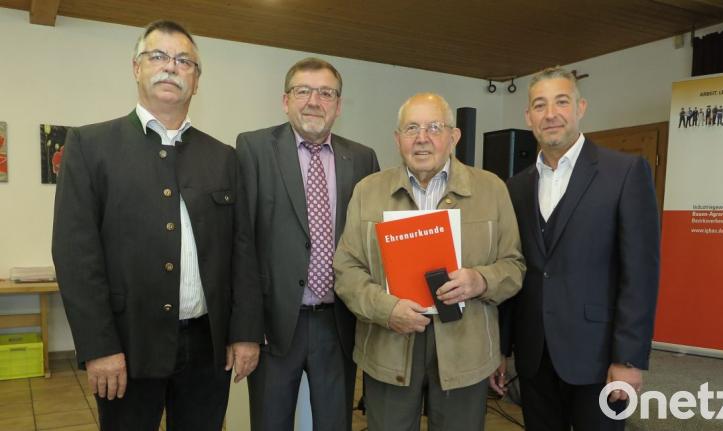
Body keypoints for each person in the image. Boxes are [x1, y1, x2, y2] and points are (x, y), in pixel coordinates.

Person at [52, 20, 262, 430]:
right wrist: (99, 347)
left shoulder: (222, 157)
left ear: (196, 81)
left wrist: (245, 332)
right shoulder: (90, 147)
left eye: (184, 61)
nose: (171, 67)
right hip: (128, 346)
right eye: (159, 56)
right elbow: (75, 256)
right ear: (137, 68)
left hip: (206, 349)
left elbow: (242, 252)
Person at [333, 92, 525, 431]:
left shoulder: (492, 189)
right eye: (412, 128)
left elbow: (514, 265)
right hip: (389, 347)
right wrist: (386, 309)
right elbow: (346, 270)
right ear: (398, 139)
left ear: (454, 136)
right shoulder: (368, 191)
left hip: (465, 350)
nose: (422, 138)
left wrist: (480, 280)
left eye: (434, 127)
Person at [494, 67, 660, 431]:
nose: (550, 114)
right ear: (528, 116)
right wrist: (502, 349)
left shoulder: (625, 172)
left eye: (561, 102)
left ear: (580, 108)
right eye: (540, 105)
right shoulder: (515, 187)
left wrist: (629, 359)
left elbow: (640, 275)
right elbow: (512, 268)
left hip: (598, 357)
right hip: (534, 356)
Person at [236, 57, 379, 431]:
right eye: (303, 91)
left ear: (338, 105)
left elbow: (373, 241)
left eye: (326, 93)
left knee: (335, 423)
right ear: (286, 101)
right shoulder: (253, 148)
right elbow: (242, 244)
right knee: (270, 423)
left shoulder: (362, 158)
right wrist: (246, 329)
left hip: (338, 322)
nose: (314, 101)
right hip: (274, 325)